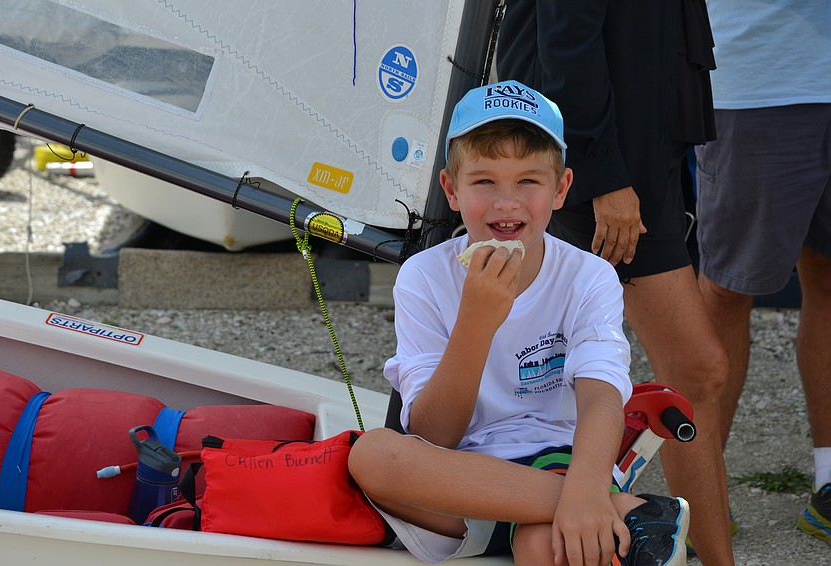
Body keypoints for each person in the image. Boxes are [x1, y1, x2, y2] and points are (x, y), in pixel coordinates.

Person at [348, 80, 689, 566]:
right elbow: (432, 437)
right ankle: (630, 511)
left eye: (528, 181)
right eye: (484, 181)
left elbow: (602, 397)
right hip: (466, 480)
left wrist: (586, 484)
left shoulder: (587, 275)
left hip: (563, 456)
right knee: (373, 455)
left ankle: (586, 505)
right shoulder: (423, 276)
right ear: (451, 189)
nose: (506, 203)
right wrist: (475, 323)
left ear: (561, 189)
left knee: (542, 547)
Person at [495, 2, 735, 564]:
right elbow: (565, 42)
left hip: (640, 154)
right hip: (606, 169)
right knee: (698, 369)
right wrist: (604, 179)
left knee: (682, 373)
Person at [693, 1, 831, 547]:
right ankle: (699, 490)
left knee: (828, 283)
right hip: (757, 78)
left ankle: (828, 479)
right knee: (728, 287)